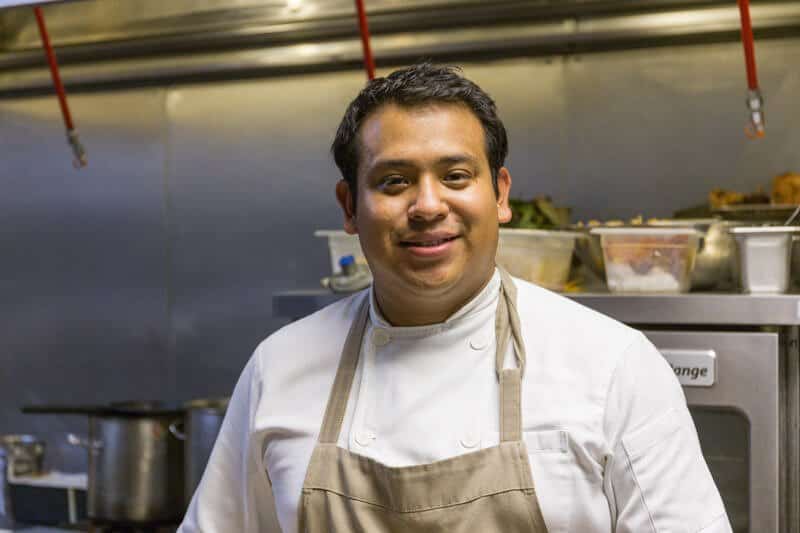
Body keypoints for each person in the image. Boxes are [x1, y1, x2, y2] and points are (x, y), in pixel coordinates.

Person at [178, 62, 731, 533]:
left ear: (500, 194)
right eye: (394, 181)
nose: (427, 205)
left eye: (456, 175)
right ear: (349, 207)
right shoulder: (279, 368)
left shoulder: (612, 365)